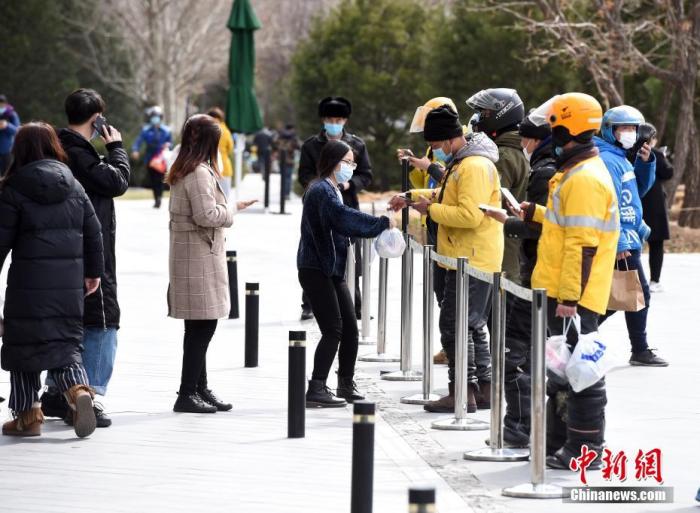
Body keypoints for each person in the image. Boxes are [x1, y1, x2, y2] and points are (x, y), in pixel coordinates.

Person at [522, 93, 618, 468]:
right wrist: (532, 213)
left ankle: (585, 449)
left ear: (569, 127)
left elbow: (583, 245)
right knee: (562, 372)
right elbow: (567, 226)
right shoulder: (576, 172)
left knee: (581, 372)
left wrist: (571, 298)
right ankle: (559, 443)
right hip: (563, 288)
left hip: (573, 293)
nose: (550, 133)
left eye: (554, 126)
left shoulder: (584, 179)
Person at [389, 106, 503, 414]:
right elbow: (446, 193)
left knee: (455, 325)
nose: (437, 151)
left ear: (450, 138)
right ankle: (481, 389)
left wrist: (430, 211)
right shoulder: (463, 162)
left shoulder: (474, 166)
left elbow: (469, 215)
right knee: (472, 325)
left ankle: (462, 391)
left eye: (439, 144)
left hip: (472, 257)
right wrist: (412, 196)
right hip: (464, 256)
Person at [0, 122, 104, 438]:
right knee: (65, 343)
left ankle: (29, 415)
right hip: (69, 286)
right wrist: (93, 273)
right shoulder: (74, 186)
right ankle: (78, 391)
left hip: (27, 287)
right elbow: (94, 232)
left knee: (24, 345)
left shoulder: (14, 188)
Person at [38, 89, 131, 428]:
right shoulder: (81, 154)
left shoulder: (57, 150)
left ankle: (55, 390)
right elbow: (118, 181)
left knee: (71, 323)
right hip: (92, 252)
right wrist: (116, 148)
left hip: (62, 252)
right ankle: (85, 394)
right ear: (97, 119)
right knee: (103, 322)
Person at [166, 114, 256, 413]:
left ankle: (198, 387)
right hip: (198, 254)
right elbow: (208, 216)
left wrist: (232, 207)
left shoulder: (186, 167)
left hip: (192, 252)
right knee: (203, 326)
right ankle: (187, 392)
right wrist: (230, 208)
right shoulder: (199, 172)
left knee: (197, 326)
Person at [298, 140, 391, 407]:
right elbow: (342, 218)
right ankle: (316, 387)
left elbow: (344, 216)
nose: (352, 166)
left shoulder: (331, 188)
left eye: (353, 162)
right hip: (317, 269)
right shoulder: (320, 191)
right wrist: (380, 223)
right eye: (348, 161)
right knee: (333, 329)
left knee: (350, 328)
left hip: (331, 269)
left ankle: (345, 383)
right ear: (333, 161)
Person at [482, 114, 557, 446]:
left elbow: (548, 228)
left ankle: (521, 426)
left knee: (518, 354)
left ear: (533, 141)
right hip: (547, 275)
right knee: (541, 356)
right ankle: (541, 430)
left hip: (543, 277)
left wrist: (509, 220)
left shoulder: (547, 173)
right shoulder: (559, 169)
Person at [594, 106, 668, 367]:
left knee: (623, 296)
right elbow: (610, 203)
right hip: (621, 239)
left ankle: (578, 333)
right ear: (608, 130)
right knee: (633, 295)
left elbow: (637, 192)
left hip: (627, 237)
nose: (630, 134)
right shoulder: (607, 159)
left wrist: (645, 163)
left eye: (633, 129)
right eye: (623, 128)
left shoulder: (621, 157)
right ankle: (638, 349)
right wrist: (621, 242)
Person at [297, 97, 373, 321]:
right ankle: (309, 303)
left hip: (346, 203)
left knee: (351, 254)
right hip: (318, 207)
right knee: (316, 250)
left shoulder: (357, 144)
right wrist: (322, 187)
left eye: (339, 119)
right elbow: (304, 174)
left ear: (345, 120)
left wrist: (348, 184)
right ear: (323, 120)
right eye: (330, 119)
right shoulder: (311, 145)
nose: (334, 123)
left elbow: (365, 174)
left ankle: (355, 304)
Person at [399, 96, 461, 367]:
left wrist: (429, 167)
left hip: (447, 224)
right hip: (432, 223)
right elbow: (427, 182)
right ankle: (449, 346)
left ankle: (457, 353)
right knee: (441, 292)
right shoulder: (433, 148)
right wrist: (415, 167)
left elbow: (449, 184)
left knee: (452, 298)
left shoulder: (460, 147)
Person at [466, 88, 529, 286]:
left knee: (501, 310)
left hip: (504, 247)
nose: (478, 118)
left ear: (500, 114)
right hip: (514, 243)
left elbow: (490, 201)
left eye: (484, 113)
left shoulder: (503, 155)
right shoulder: (517, 148)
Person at [639, 130, 673, 292]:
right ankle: (654, 281)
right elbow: (668, 173)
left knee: (632, 246)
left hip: (637, 203)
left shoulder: (629, 153)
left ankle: (633, 279)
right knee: (656, 244)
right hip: (655, 205)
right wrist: (663, 158)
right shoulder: (657, 154)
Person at [132, 106, 173, 208]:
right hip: (150, 158)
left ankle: (159, 198)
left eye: (157, 116)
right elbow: (138, 141)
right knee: (153, 179)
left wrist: (167, 145)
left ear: (160, 117)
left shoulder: (166, 130)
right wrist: (135, 150)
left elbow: (170, 143)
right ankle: (156, 198)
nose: (155, 118)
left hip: (161, 159)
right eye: (153, 116)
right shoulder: (146, 130)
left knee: (160, 179)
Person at [207, 107, 234, 199]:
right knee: (224, 198)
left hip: (208, 167)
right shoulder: (225, 131)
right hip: (224, 167)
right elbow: (230, 148)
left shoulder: (206, 129)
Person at [275, 124, 300, 201]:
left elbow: (274, 144)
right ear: (292, 128)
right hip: (290, 161)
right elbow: (298, 147)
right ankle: (287, 194)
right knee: (288, 178)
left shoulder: (280, 136)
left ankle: (283, 193)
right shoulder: (293, 138)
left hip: (281, 160)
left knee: (283, 177)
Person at [0, 94, 20, 175]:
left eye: (2, 103)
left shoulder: (12, 114)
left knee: (7, 174)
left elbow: (17, 130)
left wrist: (7, 125)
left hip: (7, 149)